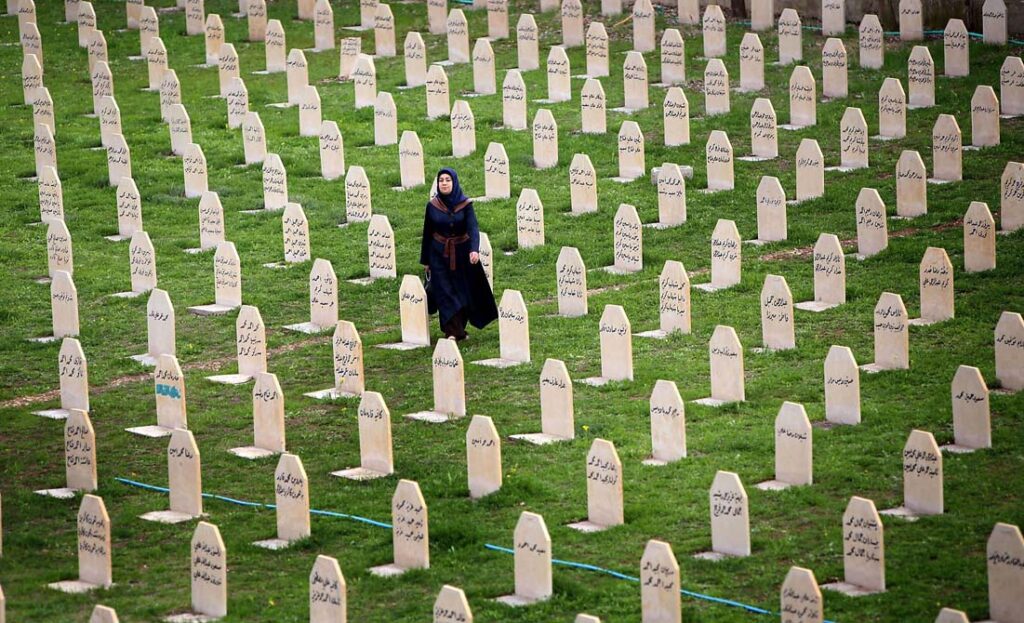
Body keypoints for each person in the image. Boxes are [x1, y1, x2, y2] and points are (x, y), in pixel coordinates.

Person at [420, 168, 498, 340]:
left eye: (448, 180)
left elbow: (473, 228)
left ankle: (459, 330)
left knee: (461, 292)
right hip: (438, 255)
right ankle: (452, 332)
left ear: (454, 182)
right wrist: (426, 260)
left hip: (462, 254)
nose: (445, 183)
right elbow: (427, 233)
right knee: (445, 292)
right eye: (441, 180)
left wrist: (474, 250)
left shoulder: (465, 204)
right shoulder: (432, 206)